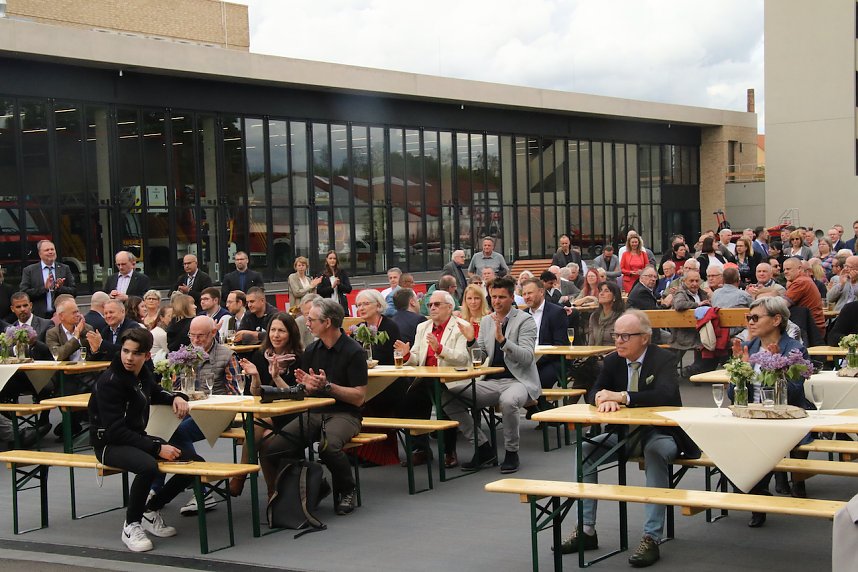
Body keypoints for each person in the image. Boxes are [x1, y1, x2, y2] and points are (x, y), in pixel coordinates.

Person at [559, 310, 699, 567]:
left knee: (655, 452)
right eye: (616, 335)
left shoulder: (663, 359)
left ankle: (651, 537)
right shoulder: (613, 361)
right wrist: (602, 399)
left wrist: (623, 397)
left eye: (625, 336)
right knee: (585, 449)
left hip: (660, 433)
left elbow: (666, 394)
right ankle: (586, 530)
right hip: (622, 434)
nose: (618, 341)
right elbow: (595, 391)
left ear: (644, 338)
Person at [88, 328, 200, 553]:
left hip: (135, 438)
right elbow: (115, 431)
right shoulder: (110, 381)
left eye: (136, 353)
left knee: (194, 463)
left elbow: (156, 392)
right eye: (125, 351)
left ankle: (151, 510)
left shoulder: (142, 373)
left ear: (147, 355)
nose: (129, 357)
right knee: (147, 467)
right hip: (108, 444)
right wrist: (157, 447)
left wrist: (176, 397)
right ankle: (131, 525)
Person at [259, 298, 367, 515]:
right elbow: (305, 392)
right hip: (315, 411)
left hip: (345, 414)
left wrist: (327, 386)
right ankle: (314, 483)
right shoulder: (311, 350)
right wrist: (303, 387)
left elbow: (358, 398)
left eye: (311, 320)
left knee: (328, 447)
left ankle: (347, 489)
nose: (306, 323)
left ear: (327, 322)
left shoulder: (354, 351)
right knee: (273, 449)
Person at [730, 297, 813, 525]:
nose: (750, 322)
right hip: (753, 416)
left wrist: (776, 366)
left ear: (776, 320)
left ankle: (770, 486)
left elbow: (795, 393)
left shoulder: (794, 349)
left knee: (763, 439)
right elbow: (732, 396)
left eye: (756, 317)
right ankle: (759, 492)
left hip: (784, 419)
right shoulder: (748, 348)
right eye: (748, 317)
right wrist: (740, 372)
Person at [446, 276, 540, 474]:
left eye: (502, 297)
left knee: (508, 401)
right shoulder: (487, 321)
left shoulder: (525, 320)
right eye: (494, 297)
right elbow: (480, 356)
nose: (496, 301)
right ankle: (483, 447)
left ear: (512, 297)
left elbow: (526, 358)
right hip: (491, 381)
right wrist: (471, 341)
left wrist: (503, 341)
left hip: (519, 380)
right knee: (448, 397)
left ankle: (512, 452)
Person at [168, 315, 241, 515]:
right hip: (188, 411)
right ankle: (155, 488)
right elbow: (175, 388)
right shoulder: (184, 354)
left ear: (213, 333)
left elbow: (236, 394)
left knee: (178, 433)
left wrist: (207, 400)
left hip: (217, 414)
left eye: (201, 336)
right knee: (158, 430)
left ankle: (202, 492)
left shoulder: (227, 355)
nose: (196, 340)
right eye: (192, 335)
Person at [393, 290, 470, 467]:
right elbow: (416, 357)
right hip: (425, 377)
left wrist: (440, 349)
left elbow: (462, 358)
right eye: (429, 305)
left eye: (437, 304)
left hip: (449, 379)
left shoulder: (461, 326)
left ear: (449, 307)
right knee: (408, 398)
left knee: (444, 401)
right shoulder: (423, 327)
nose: (432, 308)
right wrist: (407, 355)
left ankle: (449, 451)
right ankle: (420, 449)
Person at [238, 312, 304, 497]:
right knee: (265, 438)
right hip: (266, 414)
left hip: (291, 415)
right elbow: (254, 394)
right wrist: (255, 376)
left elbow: (297, 395)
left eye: (281, 331)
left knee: (258, 424)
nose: (276, 335)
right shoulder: (260, 355)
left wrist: (276, 377)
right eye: (273, 330)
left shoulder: (299, 358)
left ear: (291, 334)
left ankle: (240, 475)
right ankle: (272, 493)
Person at [521, 278, 569, 398]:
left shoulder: (557, 312)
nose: (526, 297)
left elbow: (560, 345)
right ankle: (536, 408)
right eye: (524, 294)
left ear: (541, 292)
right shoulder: (522, 315)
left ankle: (540, 408)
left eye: (530, 293)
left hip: (550, 360)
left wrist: (536, 361)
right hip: (526, 360)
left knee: (535, 381)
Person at [19, 240, 76, 318]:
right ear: (40, 254)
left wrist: (60, 288)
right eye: (47, 250)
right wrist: (44, 288)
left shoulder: (64, 268)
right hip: (39, 316)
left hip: (61, 315)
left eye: (52, 249)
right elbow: (24, 293)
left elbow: (74, 292)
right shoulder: (29, 270)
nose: (50, 252)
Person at [782, 257, 826, 337]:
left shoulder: (800, 282)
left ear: (799, 269)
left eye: (788, 269)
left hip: (810, 329)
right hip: (810, 326)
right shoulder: (804, 280)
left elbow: (782, 306)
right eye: (784, 270)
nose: (785, 272)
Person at [316, 250, 352, 316]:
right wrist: (332, 287)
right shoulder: (322, 274)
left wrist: (339, 284)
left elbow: (349, 289)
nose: (332, 260)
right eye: (330, 258)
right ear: (327, 259)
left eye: (334, 258)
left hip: (341, 306)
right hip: (328, 306)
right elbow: (319, 291)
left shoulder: (342, 272)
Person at [588, 281, 625, 346]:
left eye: (606, 291)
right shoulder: (594, 316)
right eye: (600, 291)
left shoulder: (622, 317)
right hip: (596, 351)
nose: (601, 294)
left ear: (614, 297)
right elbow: (591, 343)